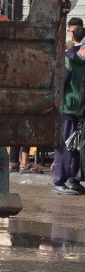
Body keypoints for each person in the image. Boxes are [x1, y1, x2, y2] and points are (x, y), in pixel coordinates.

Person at [55, 18, 85, 195]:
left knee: (75, 147)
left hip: (79, 111)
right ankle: (59, 181)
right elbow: (60, 84)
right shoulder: (68, 60)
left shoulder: (75, 59)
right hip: (67, 110)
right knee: (64, 147)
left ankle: (73, 180)